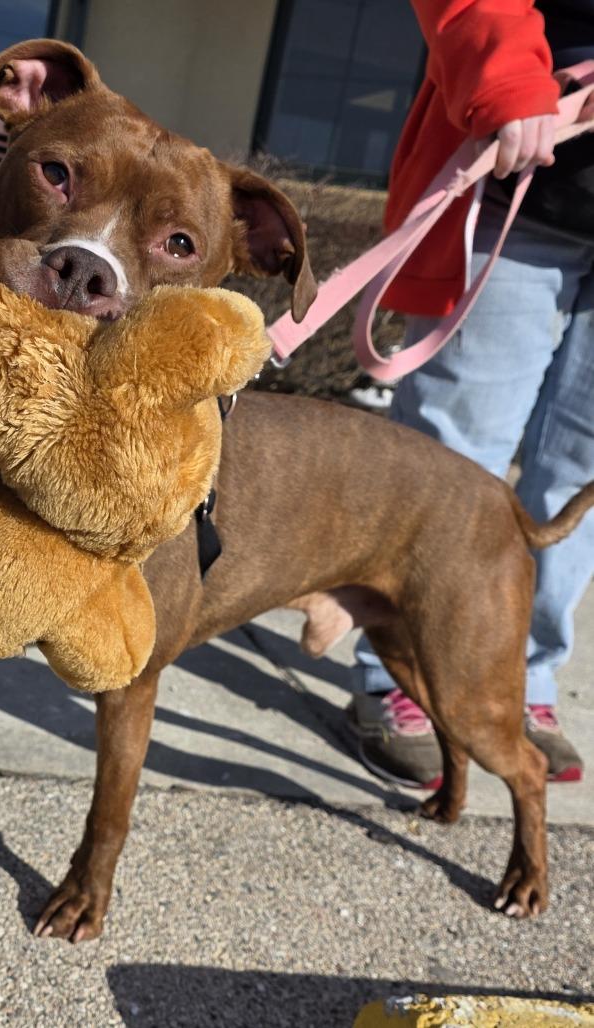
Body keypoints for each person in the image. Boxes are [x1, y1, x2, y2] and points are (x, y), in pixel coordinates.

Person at [346, 0, 594, 786]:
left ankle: (521, 678)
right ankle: (405, 672)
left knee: (583, 472)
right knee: (453, 460)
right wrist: (508, 80)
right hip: (524, 165)